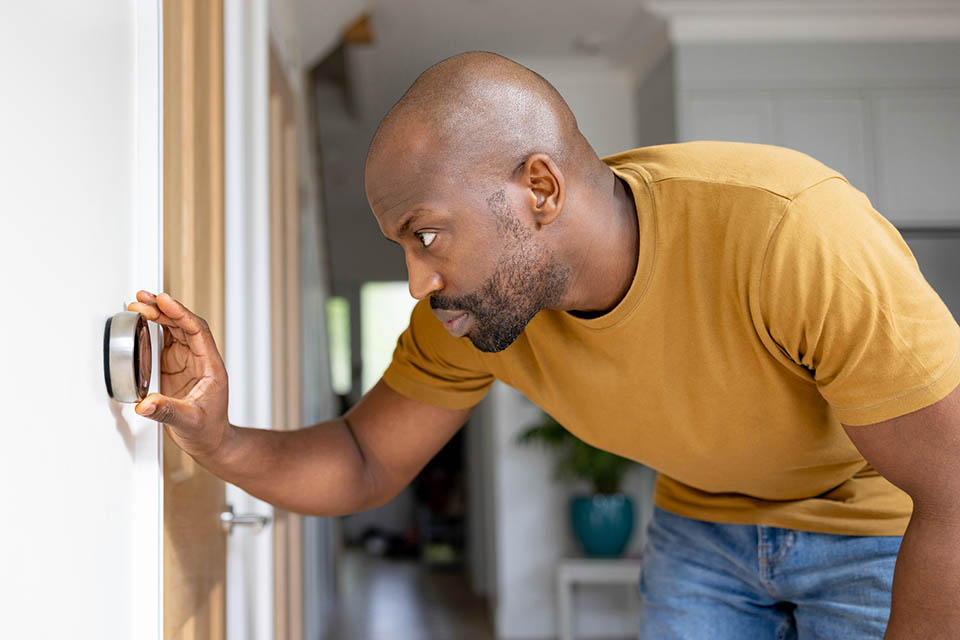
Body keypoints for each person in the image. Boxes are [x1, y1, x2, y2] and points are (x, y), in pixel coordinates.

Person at [128, 52, 960, 639]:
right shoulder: (473, 315)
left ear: (539, 189)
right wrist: (218, 437)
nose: (418, 282)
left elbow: (953, 493)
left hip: (881, 528)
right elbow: (362, 459)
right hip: (702, 530)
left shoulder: (790, 230)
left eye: (427, 234)